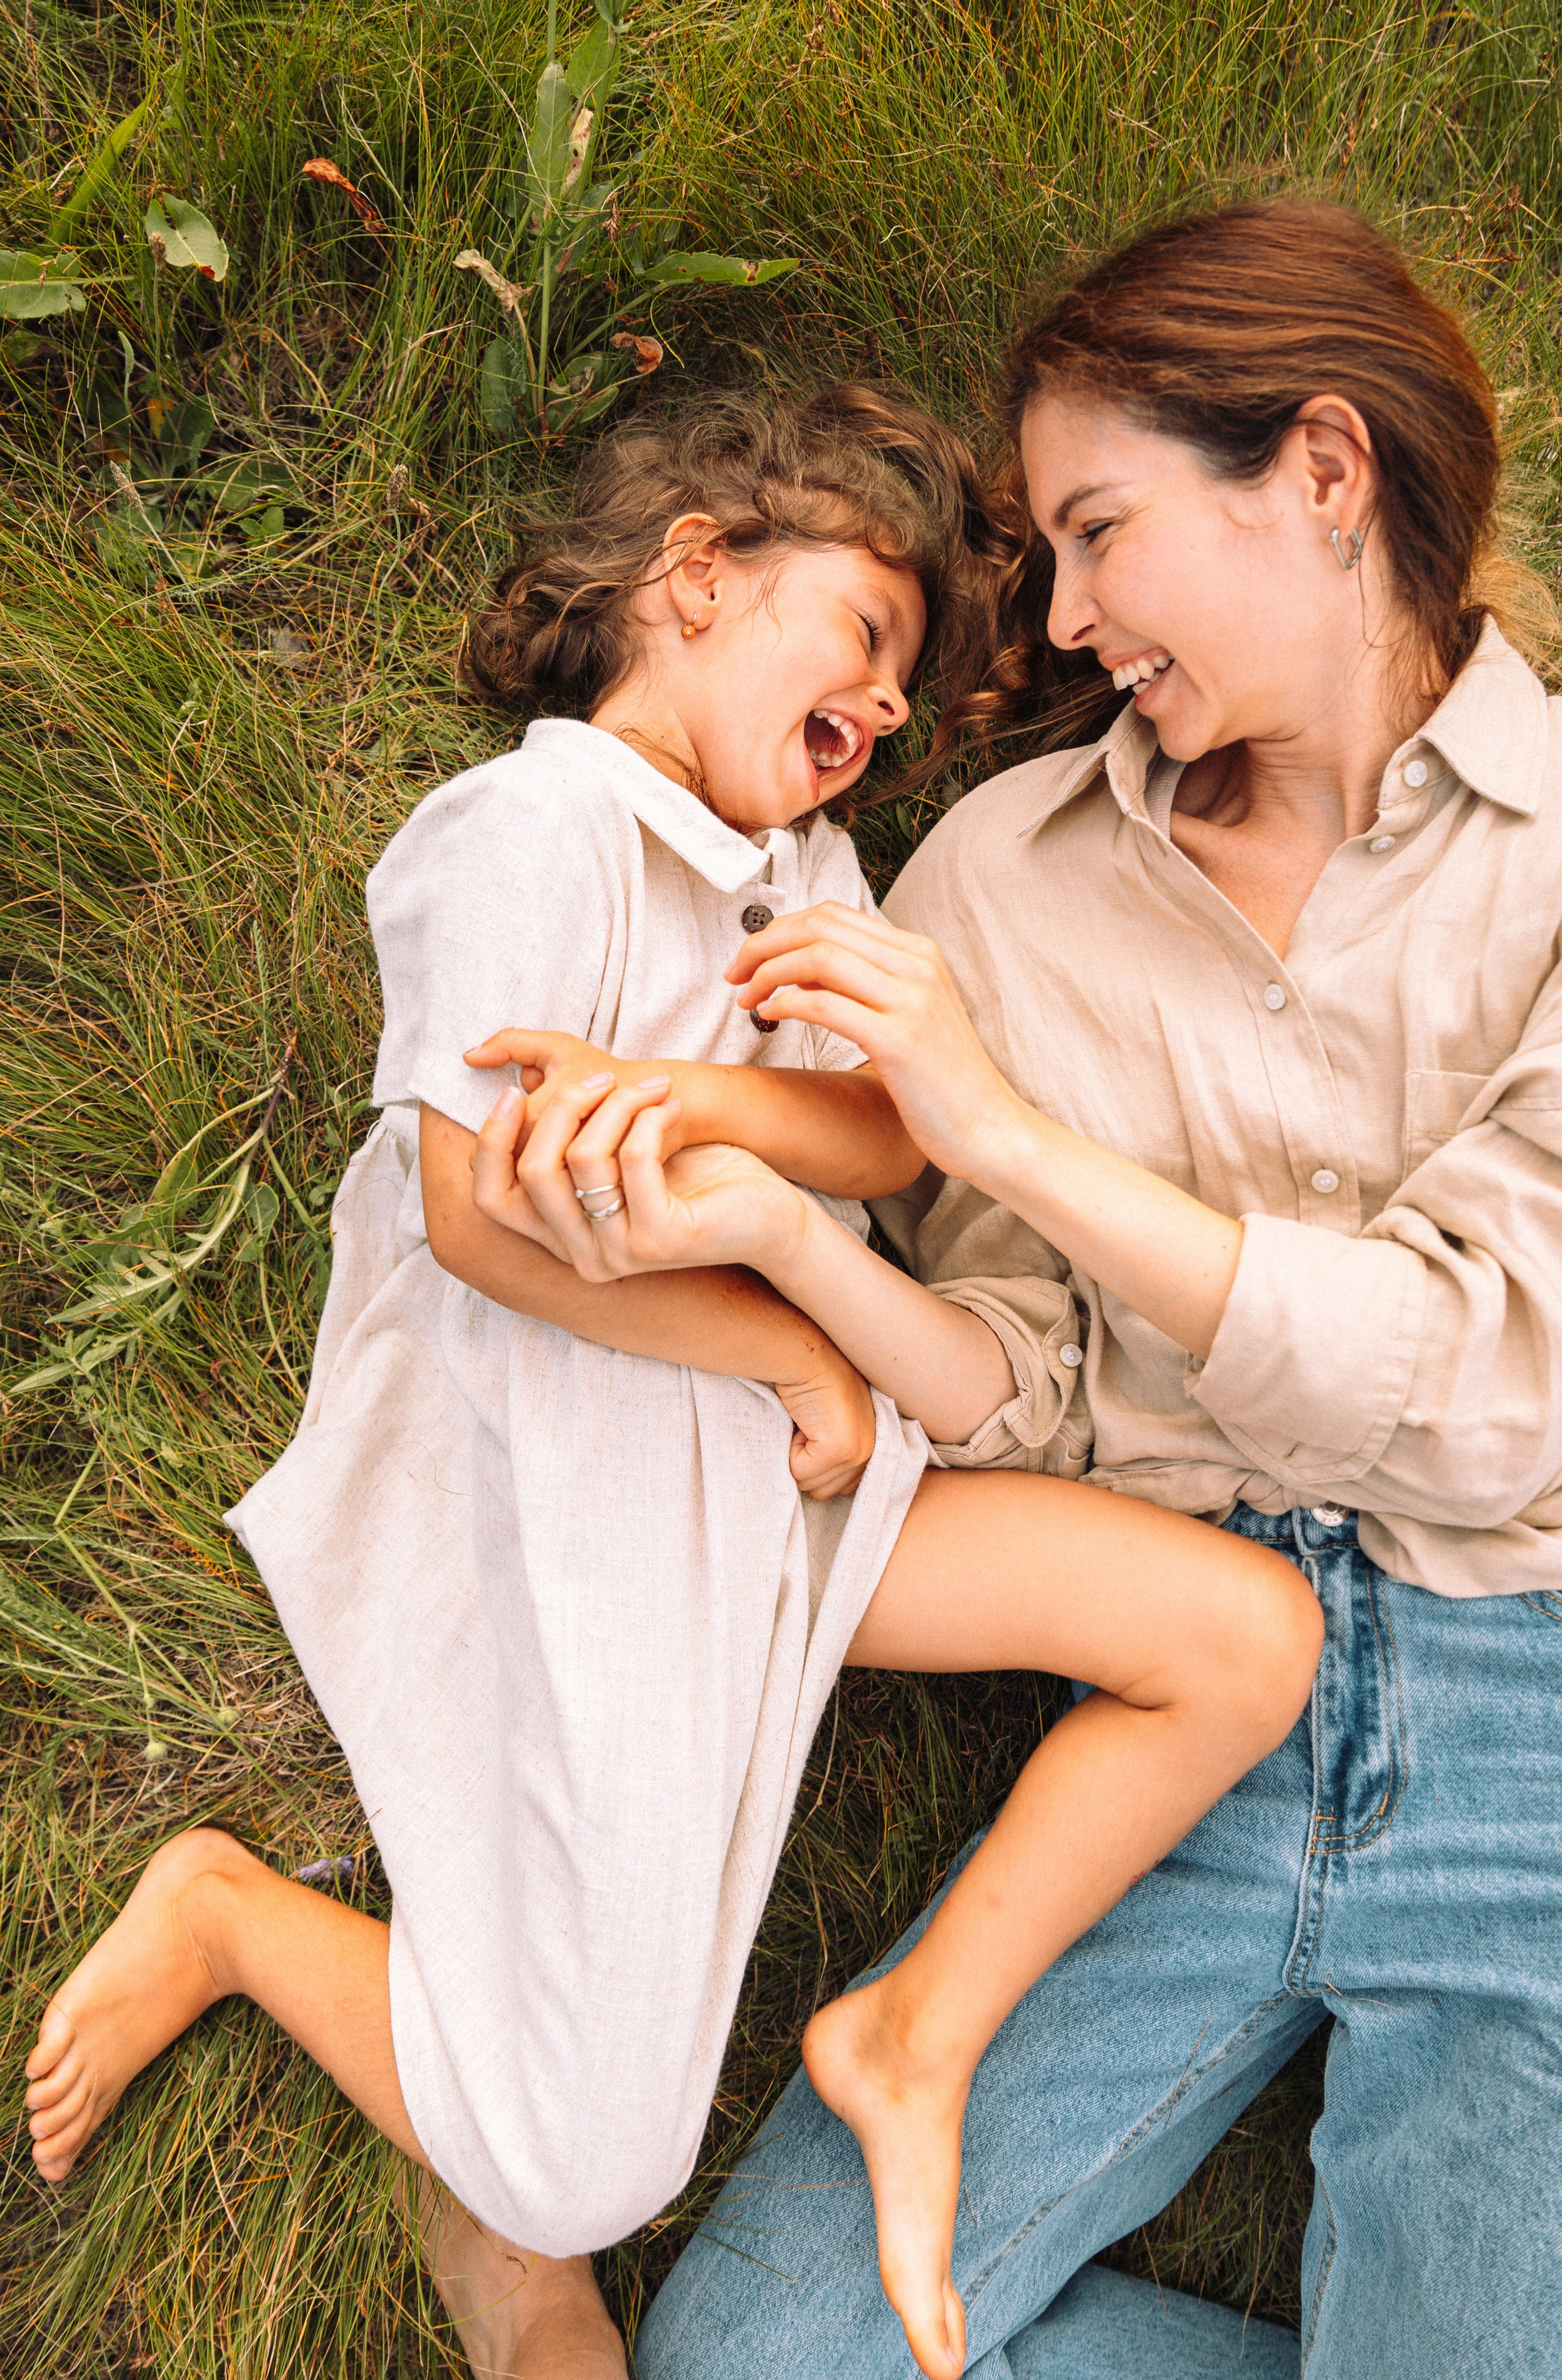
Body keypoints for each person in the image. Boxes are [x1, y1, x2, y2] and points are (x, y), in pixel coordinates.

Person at [21, 382, 1319, 2380]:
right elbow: (481, 1223)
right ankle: (227, 1917)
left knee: (1244, 1636)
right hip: (577, 1458)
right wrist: (786, 1340)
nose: (879, 716)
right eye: (865, 644)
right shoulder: (533, 827)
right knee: (579, 2177)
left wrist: (714, 1114)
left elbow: (888, 1139)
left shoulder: (800, 878)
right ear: (694, 578)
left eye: (902, 699)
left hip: (777, 1478)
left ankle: (913, 2031)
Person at [618, 200, 1562, 2377]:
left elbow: (1496, 1386)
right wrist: (795, 1235)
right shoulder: (998, 883)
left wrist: (1015, 1134)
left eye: (1100, 530)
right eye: (1050, 551)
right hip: (1180, 1698)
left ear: (1320, 470)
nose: (1073, 609)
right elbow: (1017, 1383)